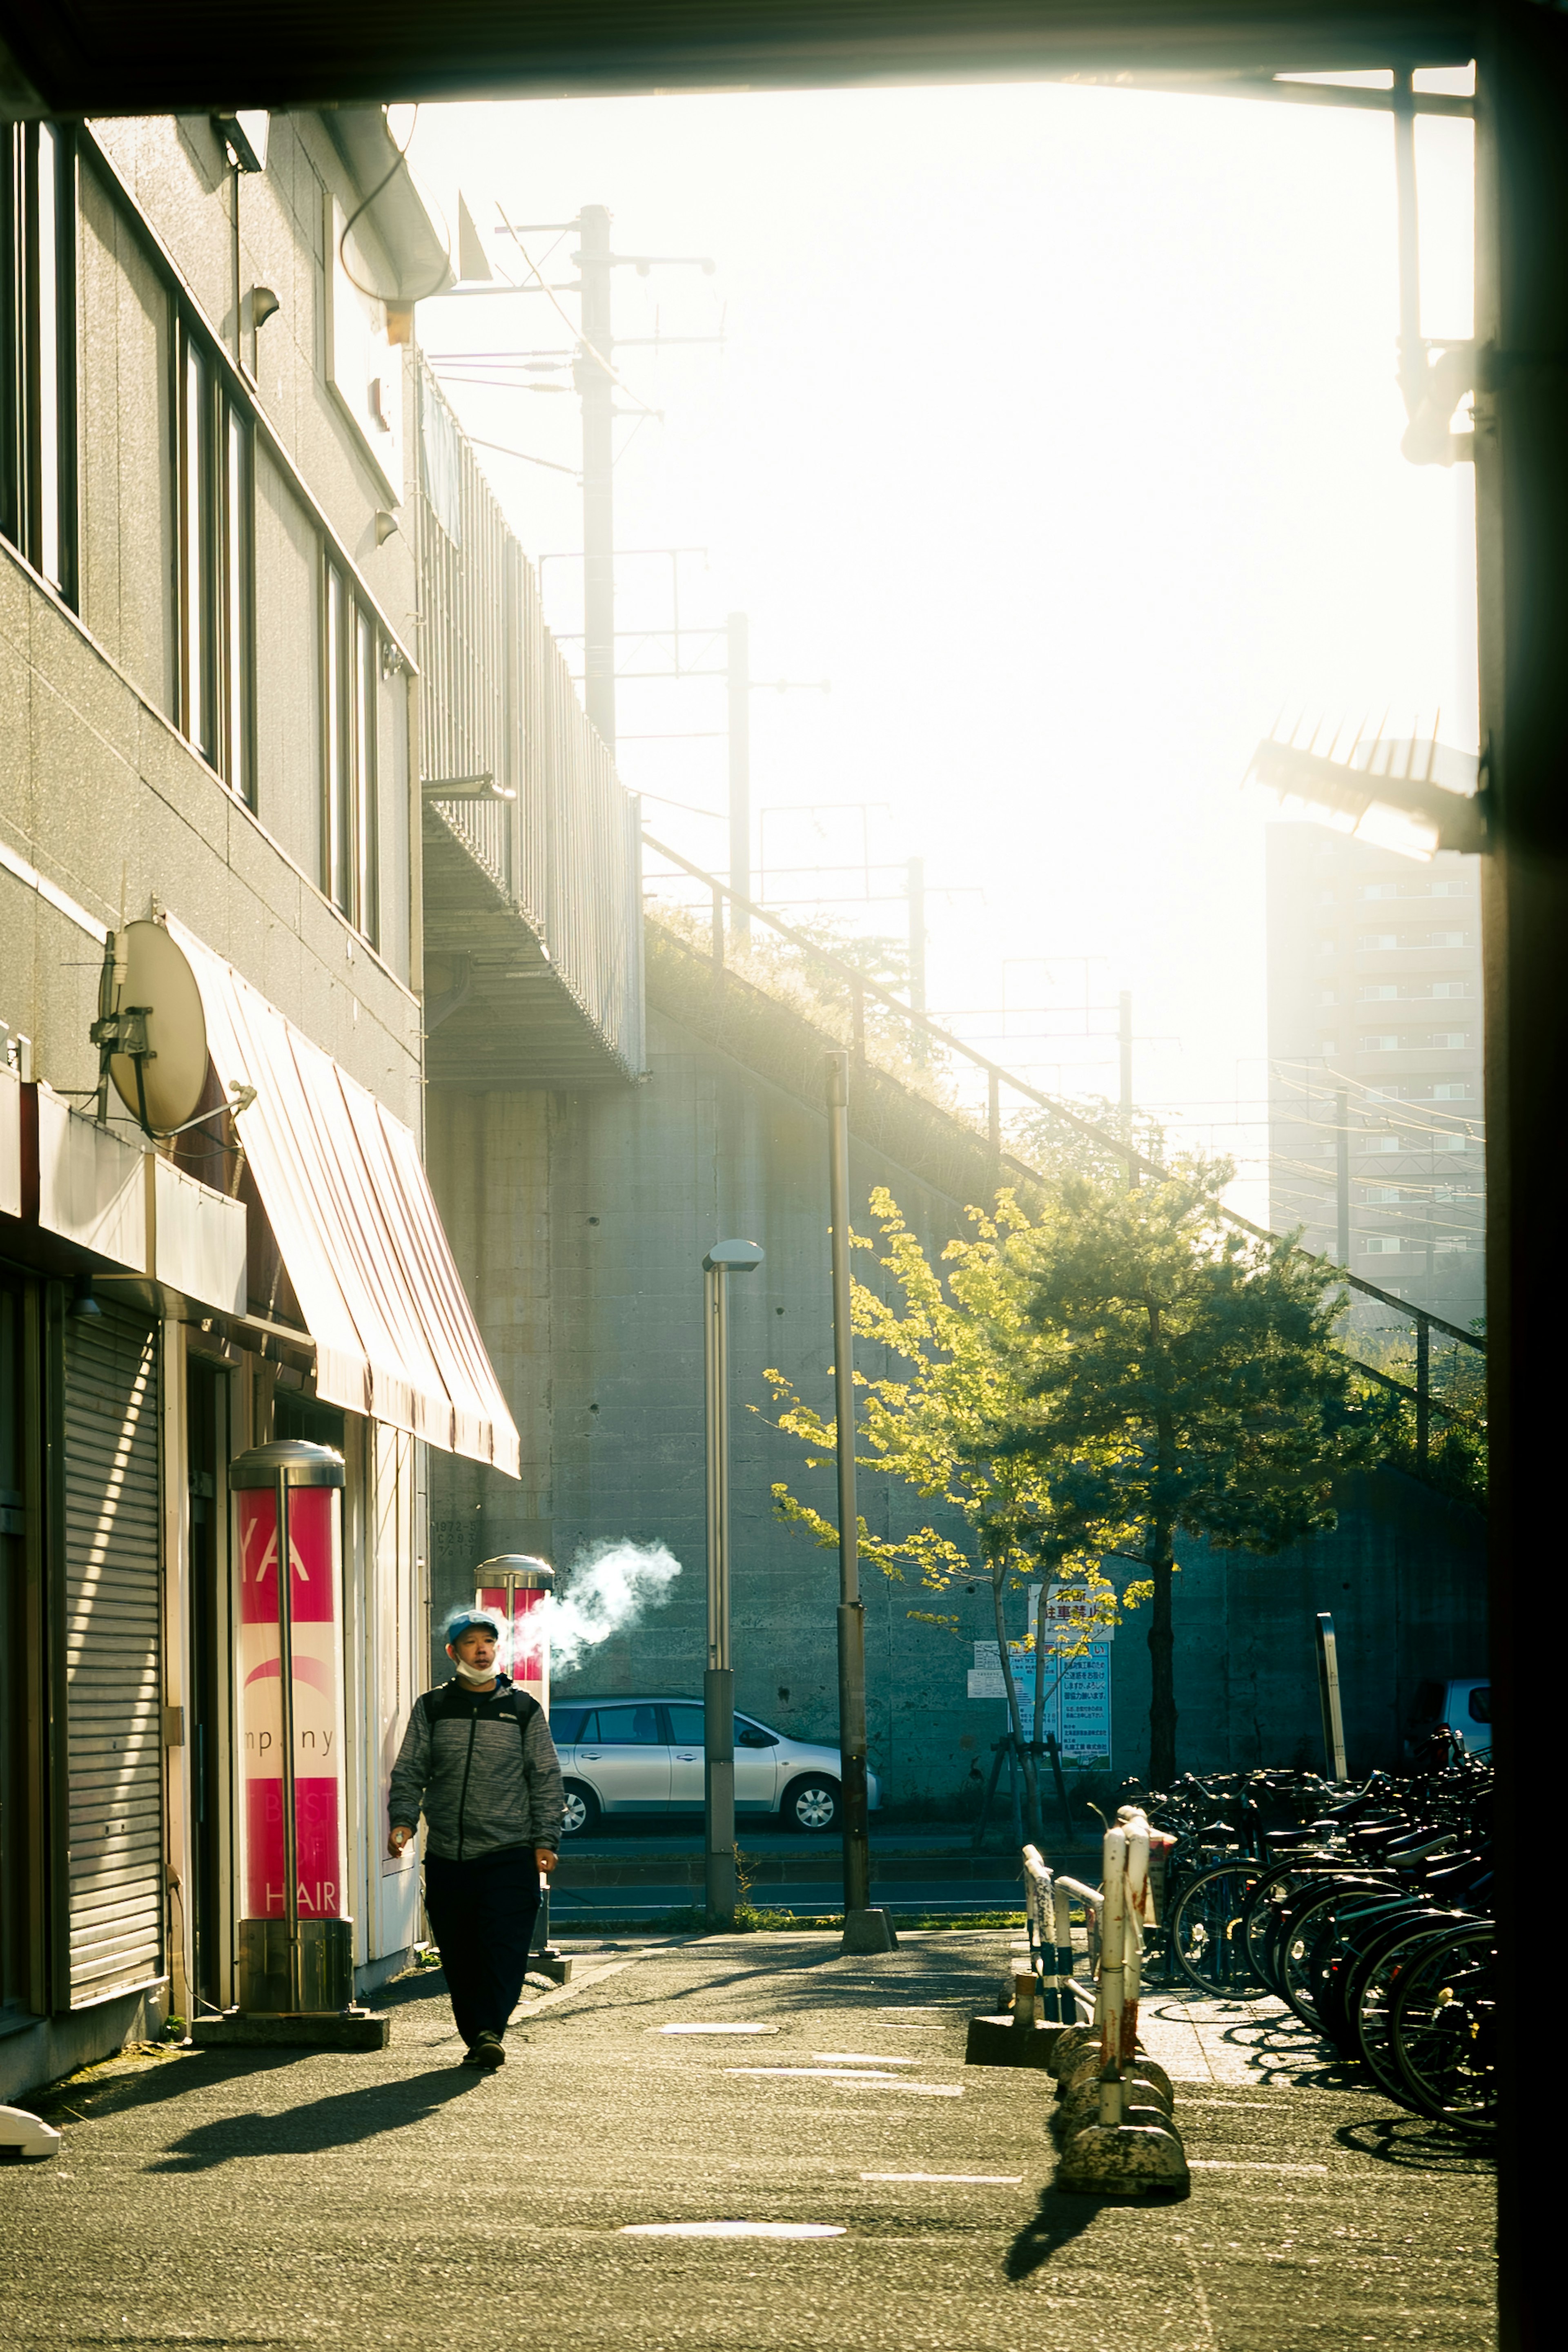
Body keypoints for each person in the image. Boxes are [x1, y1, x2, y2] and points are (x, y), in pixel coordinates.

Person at [388, 1607, 564, 2068]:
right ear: (453, 1651)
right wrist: (403, 1821)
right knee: (461, 1953)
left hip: (510, 1852)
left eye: (489, 1641)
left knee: (504, 1947)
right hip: (449, 1853)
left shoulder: (523, 1709)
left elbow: (545, 1777)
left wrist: (547, 1838)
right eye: (471, 1642)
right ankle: (478, 2032)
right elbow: (410, 1770)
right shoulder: (433, 1707)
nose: (482, 1649)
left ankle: (490, 2029)